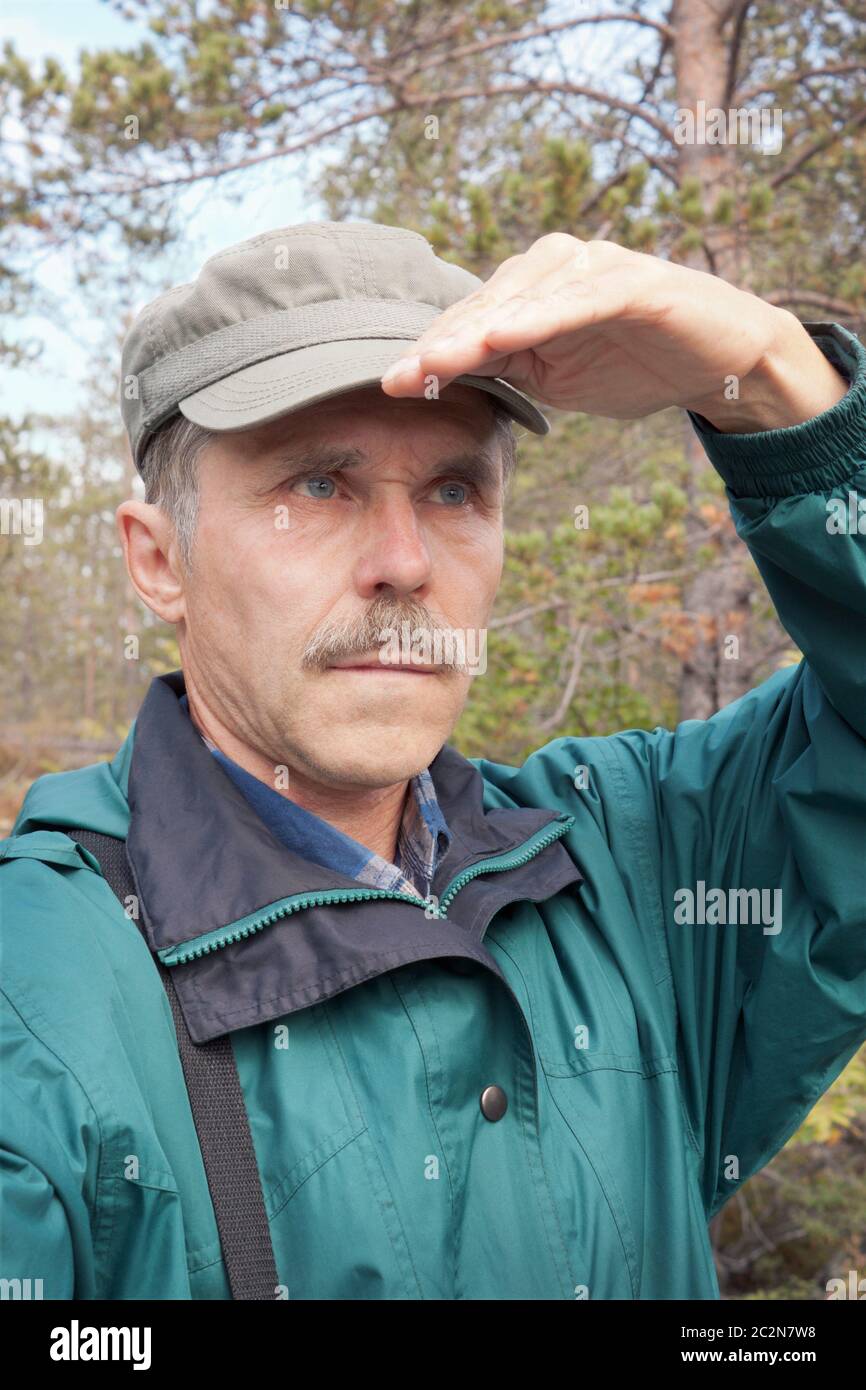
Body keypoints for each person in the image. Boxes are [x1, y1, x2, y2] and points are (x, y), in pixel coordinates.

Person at [1, 222, 864, 1300]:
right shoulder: (38, 986)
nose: (404, 564)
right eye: (317, 486)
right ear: (158, 558)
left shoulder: (631, 867)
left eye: (454, 490)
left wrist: (775, 383)